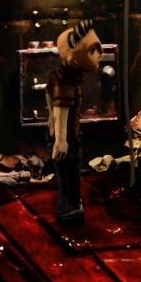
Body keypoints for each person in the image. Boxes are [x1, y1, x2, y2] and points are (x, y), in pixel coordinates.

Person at [46, 20, 102, 225]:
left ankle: (70, 206)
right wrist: (60, 140)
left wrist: (51, 124)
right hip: (68, 140)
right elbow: (60, 110)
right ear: (75, 61)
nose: (100, 54)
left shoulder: (59, 76)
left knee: (69, 176)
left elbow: (49, 100)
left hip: (66, 136)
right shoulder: (67, 83)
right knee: (69, 177)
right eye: (93, 50)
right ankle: (69, 210)